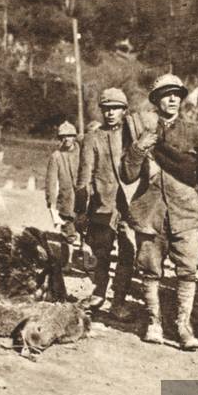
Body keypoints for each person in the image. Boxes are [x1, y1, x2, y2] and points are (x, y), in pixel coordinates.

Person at [120, 74, 198, 350]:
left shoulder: (192, 131)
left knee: (188, 271)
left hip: (186, 212)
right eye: (166, 94)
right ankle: (154, 321)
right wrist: (138, 149)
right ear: (156, 100)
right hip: (150, 211)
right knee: (150, 270)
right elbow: (129, 175)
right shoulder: (141, 129)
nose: (173, 99)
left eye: (177, 94)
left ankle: (182, 325)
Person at [75, 88, 135, 316]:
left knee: (128, 253)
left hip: (130, 207)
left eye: (116, 108)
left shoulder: (132, 136)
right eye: (106, 108)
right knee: (102, 253)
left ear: (124, 110)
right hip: (102, 205)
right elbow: (84, 177)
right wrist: (81, 210)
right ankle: (99, 293)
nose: (110, 113)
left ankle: (118, 301)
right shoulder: (93, 138)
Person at [45, 121, 81, 266]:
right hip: (66, 201)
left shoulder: (83, 153)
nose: (66, 139)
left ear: (74, 137)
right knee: (67, 233)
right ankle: (67, 262)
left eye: (70, 136)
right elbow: (51, 182)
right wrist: (52, 203)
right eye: (63, 137)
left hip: (84, 200)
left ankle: (87, 263)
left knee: (88, 233)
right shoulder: (56, 156)